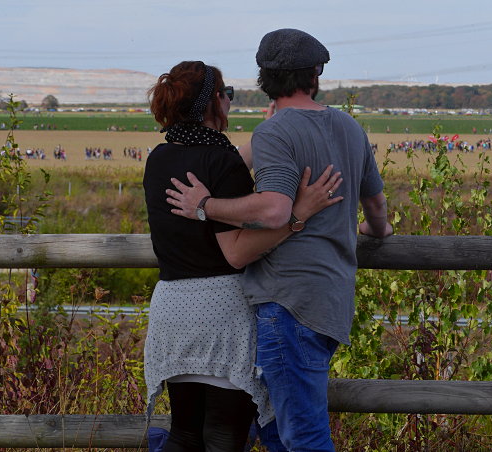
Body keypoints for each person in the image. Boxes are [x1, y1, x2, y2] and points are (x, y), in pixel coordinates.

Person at [166, 29, 393, 451]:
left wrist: (206, 205)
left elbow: (273, 209)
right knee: (278, 430)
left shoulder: (275, 133)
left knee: (302, 436)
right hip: (332, 298)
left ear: (264, 77)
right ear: (316, 72)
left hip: (288, 300)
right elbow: (378, 211)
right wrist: (373, 232)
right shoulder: (350, 128)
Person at [144, 60, 343, 452]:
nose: (230, 104)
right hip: (221, 313)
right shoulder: (220, 163)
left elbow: (215, 160)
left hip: (171, 310)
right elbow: (235, 254)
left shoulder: (159, 158)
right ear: (214, 102)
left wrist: (268, 129)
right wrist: (298, 216)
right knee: (224, 437)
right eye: (228, 96)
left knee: (184, 434)